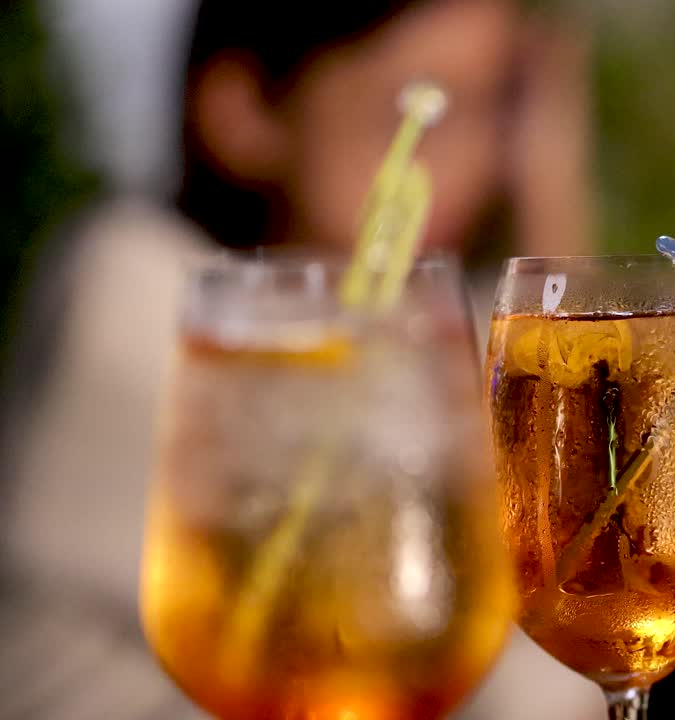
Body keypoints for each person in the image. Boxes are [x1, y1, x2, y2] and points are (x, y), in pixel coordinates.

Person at [0, 1, 597, 718]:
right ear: (242, 109)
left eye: (492, 112)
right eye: (408, 113)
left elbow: (560, 684)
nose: (463, 166)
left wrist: (553, 209)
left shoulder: (450, 332)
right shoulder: (142, 291)